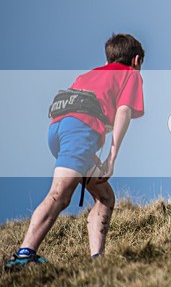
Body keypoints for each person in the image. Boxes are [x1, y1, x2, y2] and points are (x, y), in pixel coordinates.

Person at [4, 34, 145, 269]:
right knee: (60, 194)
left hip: (58, 130)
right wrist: (112, 156)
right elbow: (123, 112)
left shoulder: (87, 74)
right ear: (136, 60)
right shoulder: (130, 74)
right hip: (80, 132)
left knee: (105, 197)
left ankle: (96, 259)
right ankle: (23, 255)